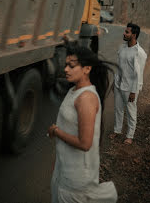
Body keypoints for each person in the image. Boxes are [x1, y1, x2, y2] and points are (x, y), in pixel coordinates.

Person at [48, 43, 118, 203]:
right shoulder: (74, 90)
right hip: (65, 170)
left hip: (75, 181)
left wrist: (56, 131)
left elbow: (85, 143)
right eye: (66, 65)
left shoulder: (86, 98)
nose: (66, 69)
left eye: (71, 66)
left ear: (87, 69)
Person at [111, 23, 147, 145]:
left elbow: (139, 74)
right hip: (119, 84)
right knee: (118, 109)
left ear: (134, 35)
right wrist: (114, 82)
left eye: (127, 32)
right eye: (125, 31)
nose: (124, 34)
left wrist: (134, 91)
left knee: (131, 111)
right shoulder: (122, 47)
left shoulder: (139, 53)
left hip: (130, 87)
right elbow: (119, 67)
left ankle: (130, 136)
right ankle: (117, 131)